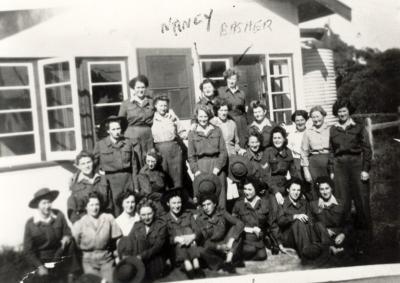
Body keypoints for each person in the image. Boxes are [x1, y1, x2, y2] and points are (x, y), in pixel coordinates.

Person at [330, 98, 372, 252]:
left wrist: (365, 169)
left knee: (362, 204)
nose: (342, 113)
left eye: (344, 111)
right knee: (343, 205)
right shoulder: (333, 129)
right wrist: (332, 171)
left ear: (349, 111)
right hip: (340, 167)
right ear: (336, 113)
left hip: (356, 166)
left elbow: (367, 149)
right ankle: (346, 242)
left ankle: (367, 242)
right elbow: (331, 152)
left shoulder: (359, 127)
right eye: (339, 111)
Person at [24, 188, 80, 283]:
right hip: (41, 261)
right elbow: (28, 251)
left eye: (49, 202)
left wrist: (66, 237)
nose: (47, 206)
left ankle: (73, 274)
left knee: (71, 242)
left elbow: (67, 232)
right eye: (44, 203)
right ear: (38, 206)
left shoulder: (59, 215)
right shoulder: (30, 224)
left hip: (59, 256)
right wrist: (40, 267)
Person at [93, 115, 141, 216]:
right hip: (111, 182)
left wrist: (136, 186)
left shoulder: (127, 143)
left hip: (128, 180)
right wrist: (101, 180)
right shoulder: (100, 145)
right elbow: (93, 164)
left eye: (118, 128)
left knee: (131, 207)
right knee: (116, 210)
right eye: (113, 129)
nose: (117, 131)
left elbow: (134, 166)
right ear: (108, 131)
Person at [72, 192, 122, 283]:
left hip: (106, 259)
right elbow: (75, 245)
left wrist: (118, 255)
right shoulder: (79, 224)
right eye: (91, 205)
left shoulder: (108, 218)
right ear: (86, 207)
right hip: (88, 261)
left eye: (97, 204)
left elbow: (118, 238)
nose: (94, 208)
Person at [188, 105, 228, 208]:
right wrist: (196, 171)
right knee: (203, 197)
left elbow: (223, 152)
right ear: (196, 117)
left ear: (209, 116)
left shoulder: (217, 130)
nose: (203, 119)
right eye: (200, 116)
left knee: (220, 198)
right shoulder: (192, 133)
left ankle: (221, 221)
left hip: (217, 166)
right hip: (201, 168)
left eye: (205, 116)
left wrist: (217, 168)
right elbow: (191, 156)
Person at [118, 198, 168, 281]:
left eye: (149, 214)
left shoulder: (161, 225)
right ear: (139, 215)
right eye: (143, 215)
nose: (147, 217)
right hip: (139, 261)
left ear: (154, 213)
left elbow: (157, 247)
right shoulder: (137, 225)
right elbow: (129, 240)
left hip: (155, 261)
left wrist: (140, 257)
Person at [196, 193, 244, 273]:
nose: (206, 207)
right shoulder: (200, 219)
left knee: (235, 229)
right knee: (200, 250)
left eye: (208, 204)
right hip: (213, 247)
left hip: (225, 243)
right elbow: (205, 242)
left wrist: (231, 240)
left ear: (214, 204)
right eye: (204, 205)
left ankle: (228, 261)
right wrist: (218, 247)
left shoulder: (222, 212)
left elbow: (240, 223)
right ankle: (219, 264)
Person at [161, 189, 204, 279]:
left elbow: (198, 231)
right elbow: (163, 238)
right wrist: (177, 239)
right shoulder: (164, 219)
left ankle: (195, 263)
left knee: (188, 230)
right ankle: (190, 265)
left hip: (192, 247)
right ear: (168, 204)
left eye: (179, 203)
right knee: (178, 234)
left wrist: (192, 237)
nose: (177, 206)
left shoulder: (188, 215)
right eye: (174, 203)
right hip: (176, 251)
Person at [276, 178, 322, 260]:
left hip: (305, 234)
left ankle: (317, 248)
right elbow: (280, 221)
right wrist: (295, 216)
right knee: (298, 222)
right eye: (293, 190)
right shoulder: (282, 203)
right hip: (289, 237)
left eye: (298, 190)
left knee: (315, 223)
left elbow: (311, 219)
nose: (296, 193)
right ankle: (304, 253)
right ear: (288, 190)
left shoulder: (303, 202)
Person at [232, 177, 273, 261]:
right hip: (244, 238)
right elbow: (233, 224)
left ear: (256, 190)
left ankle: (240, 257)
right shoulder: (239, 204)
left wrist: (278, 244)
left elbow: (272, 223)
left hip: (258, 239)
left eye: (250, 189)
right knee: (250, 250)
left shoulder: (264, 203)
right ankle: (235, 254)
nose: (246, 192)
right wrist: (251, 230)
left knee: (262, 256)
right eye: (245, 189)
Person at [151, 95, 186, 189]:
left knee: (177, 178)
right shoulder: (151, 118)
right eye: (161, 105)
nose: (163, 108)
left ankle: (178, 199)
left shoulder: (172, 117)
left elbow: (182, 132)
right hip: (159, 150)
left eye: (165, 105)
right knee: (163, 177)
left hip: (173, 150)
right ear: (155, 106)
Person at [119, 75, 154, 164]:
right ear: (133, 89)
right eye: (138, 87)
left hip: (148, 136)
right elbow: (120, 122)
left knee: (150, 160)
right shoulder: (126, 104)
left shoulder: (151, 102)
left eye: (143, 87)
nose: (140, 90)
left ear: (146, 88)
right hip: (132, 136)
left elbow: (162, 113)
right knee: (136, 161)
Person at [310, 176, 351, 255]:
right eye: (321, 189)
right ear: (318, 191)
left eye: (327, 188)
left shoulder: (341, 203)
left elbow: (349, 223)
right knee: (318, 224)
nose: (325, 192)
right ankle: (330, 248)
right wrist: (324, 231)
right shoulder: (313, 205)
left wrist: (343, 234)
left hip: (338, 236)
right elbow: (311, 223)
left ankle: (333, 249)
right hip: (321, 236)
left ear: (331, 188)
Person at [68, 151, 110, 223]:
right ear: (78, 166)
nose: (86, 166)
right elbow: (71, 210)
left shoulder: (102, 179)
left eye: (88, 162)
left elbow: (110, 204)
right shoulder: (75, 184)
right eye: (83, 164)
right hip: (85, 223)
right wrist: (79, 225)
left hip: (103, 221)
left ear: (93, 162)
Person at [301, 106, 332, 200]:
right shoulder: (308, 132)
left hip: (329, 161)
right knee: (316, 189)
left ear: (323, 116)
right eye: (313, 117)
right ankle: (319, 212)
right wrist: (306, 171)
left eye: (318, 116)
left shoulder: (331, 129)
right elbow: (304, 152)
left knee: (331, 186)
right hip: (314, 164)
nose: (316, 119)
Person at [264, 126, 298, 206]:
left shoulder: (288, 151)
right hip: (270, 187)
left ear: (284, 139)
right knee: (275, 207)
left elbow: (294, 173)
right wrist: (276, 192)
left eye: (279, 138)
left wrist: (297, 188)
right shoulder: (268, 151)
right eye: (274, 138)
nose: (277, 140)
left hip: (284, 185)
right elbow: (265, 176)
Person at [219, 69, 248, 147]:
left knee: (243, 142)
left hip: (241, 121)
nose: (231, 81)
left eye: (234, 79)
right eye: (229, 78)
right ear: (226, 79)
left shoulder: (242, 93)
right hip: (228, 120)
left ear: (237, 79)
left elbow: (245, 110)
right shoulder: (221, 92)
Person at [137, 148, 168, 216]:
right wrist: (165, 197)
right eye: (148, 161)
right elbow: (148, 193)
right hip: (151, 201)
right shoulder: (143, 173)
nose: (150, 164)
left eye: (153, 161)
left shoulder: (159, 169)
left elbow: (164, 185)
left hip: (162, 199)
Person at [287, 110, 309, 179]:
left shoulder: (310, 133)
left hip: (309, 161)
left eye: (302, 120)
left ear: (306, 120)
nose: (300, 123)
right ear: (294, 122)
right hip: (296, 162)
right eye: (297, 120)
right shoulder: (291, 135)